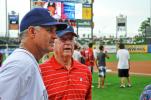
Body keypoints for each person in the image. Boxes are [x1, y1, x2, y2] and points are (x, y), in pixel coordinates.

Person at [0, 8, 67, 100]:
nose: (55, 36)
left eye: (55, 31)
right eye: (49, 30)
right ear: (32, 32)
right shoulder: (21, 65)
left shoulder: (27, 62)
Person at [40, 25, 92, 100]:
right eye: (63, 39)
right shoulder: (41, 72)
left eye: (71, 39)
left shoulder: (85, 71)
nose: (68, 43)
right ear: (53, 42)